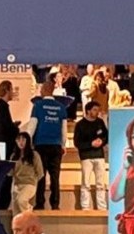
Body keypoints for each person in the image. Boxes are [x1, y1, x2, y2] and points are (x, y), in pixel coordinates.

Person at [30, 78, 70, 210]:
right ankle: (55, 203)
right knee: (55, 176)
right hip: (56, 145)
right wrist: (63, 145)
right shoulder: (61, 108)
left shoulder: (38, 106)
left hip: (41, 144)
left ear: (44, 90)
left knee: (41, 175)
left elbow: (32, 126)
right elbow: (64, 130)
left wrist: (29, 142)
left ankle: (40, 203)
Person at [75, 100, 111, 211]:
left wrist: (102, 141)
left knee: (100, 183)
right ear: (88, 111)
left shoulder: (100, 122)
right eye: (95, 110)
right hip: (86, 156)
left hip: (99, 155)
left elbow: (106, 136)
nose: (97, 112)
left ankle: (102, 207)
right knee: (86, 183)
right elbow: (77, 143)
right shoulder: (80, 125)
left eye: (98, 110)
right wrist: (91, 144)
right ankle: (85, 206)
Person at [9, 131, 43, 215]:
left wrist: (34, 181)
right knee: (15, 211)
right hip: (17, 184)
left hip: (29, 184)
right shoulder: (13, 156)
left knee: (21, 200)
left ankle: (29, 215)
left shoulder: (34, 155)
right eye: (18, 140)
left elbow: (40, 172)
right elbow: (10, 173)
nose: (21, 142)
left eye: (23, 140)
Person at [0, 80, 19, 153]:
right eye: (11, 89)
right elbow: (4, 128)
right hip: (2, 147)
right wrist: (15, 128)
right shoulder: (2, 107)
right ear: (7, 90)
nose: (12, 92)